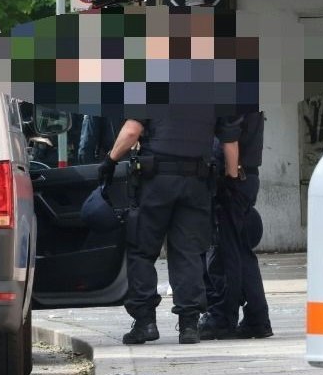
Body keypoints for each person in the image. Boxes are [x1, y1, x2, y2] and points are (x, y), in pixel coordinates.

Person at [101, 113, 220, 345]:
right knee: (188, 252)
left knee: (142, 250)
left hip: (156, 181)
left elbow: (131, 131)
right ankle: (189, 326)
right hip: (197, 181)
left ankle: (145, 323)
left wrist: (110, 161)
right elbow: (227, 137)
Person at [199, 109, 271, 340]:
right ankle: (257, 318)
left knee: (229, 252)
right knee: (240, 251)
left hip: (234, 176)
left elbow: (229, 138)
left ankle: (224, 318)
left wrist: (229, 180)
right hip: (243, 175)